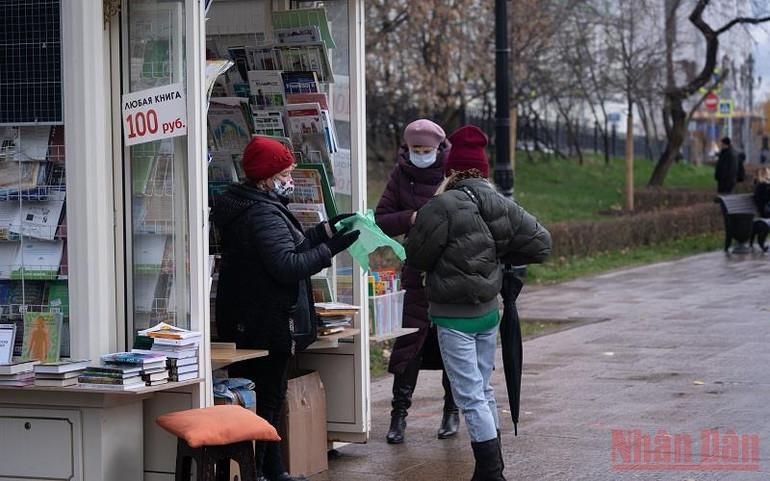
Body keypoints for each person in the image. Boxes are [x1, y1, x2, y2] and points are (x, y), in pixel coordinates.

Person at [405, 126, 552, 480]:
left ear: (450, 170)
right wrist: (499, 252)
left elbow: (417, 258)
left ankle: (490, 472)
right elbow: (541, 244)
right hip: (488, 313)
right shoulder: (500, 203)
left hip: (453, 317)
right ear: (483, 170)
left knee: (468, 396)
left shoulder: (440, 206)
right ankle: (492, 466)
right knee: (482, 390)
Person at [213, 136, 359, 481]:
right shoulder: (262, 211)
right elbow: (287, 265)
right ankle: (261, 473)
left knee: (268, 396)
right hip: (266, 317)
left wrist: (325, 231)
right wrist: (331, 249)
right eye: (285, 172)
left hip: (250, 314)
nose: (289, 179)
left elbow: (286, 246)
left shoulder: (249, 203)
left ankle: (271, 470)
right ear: (267, 177)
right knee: (268, 398)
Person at [374, 119, 457, 444]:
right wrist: (410, 218)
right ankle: (398, 417)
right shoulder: (400, 174)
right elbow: (381, 219)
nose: (421, 155)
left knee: (453, 346)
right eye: (415, 150)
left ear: (439, 148)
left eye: (427, 150)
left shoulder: (453, 173)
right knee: (408, 345)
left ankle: (452, 412)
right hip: (416, 272)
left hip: (451, 271)